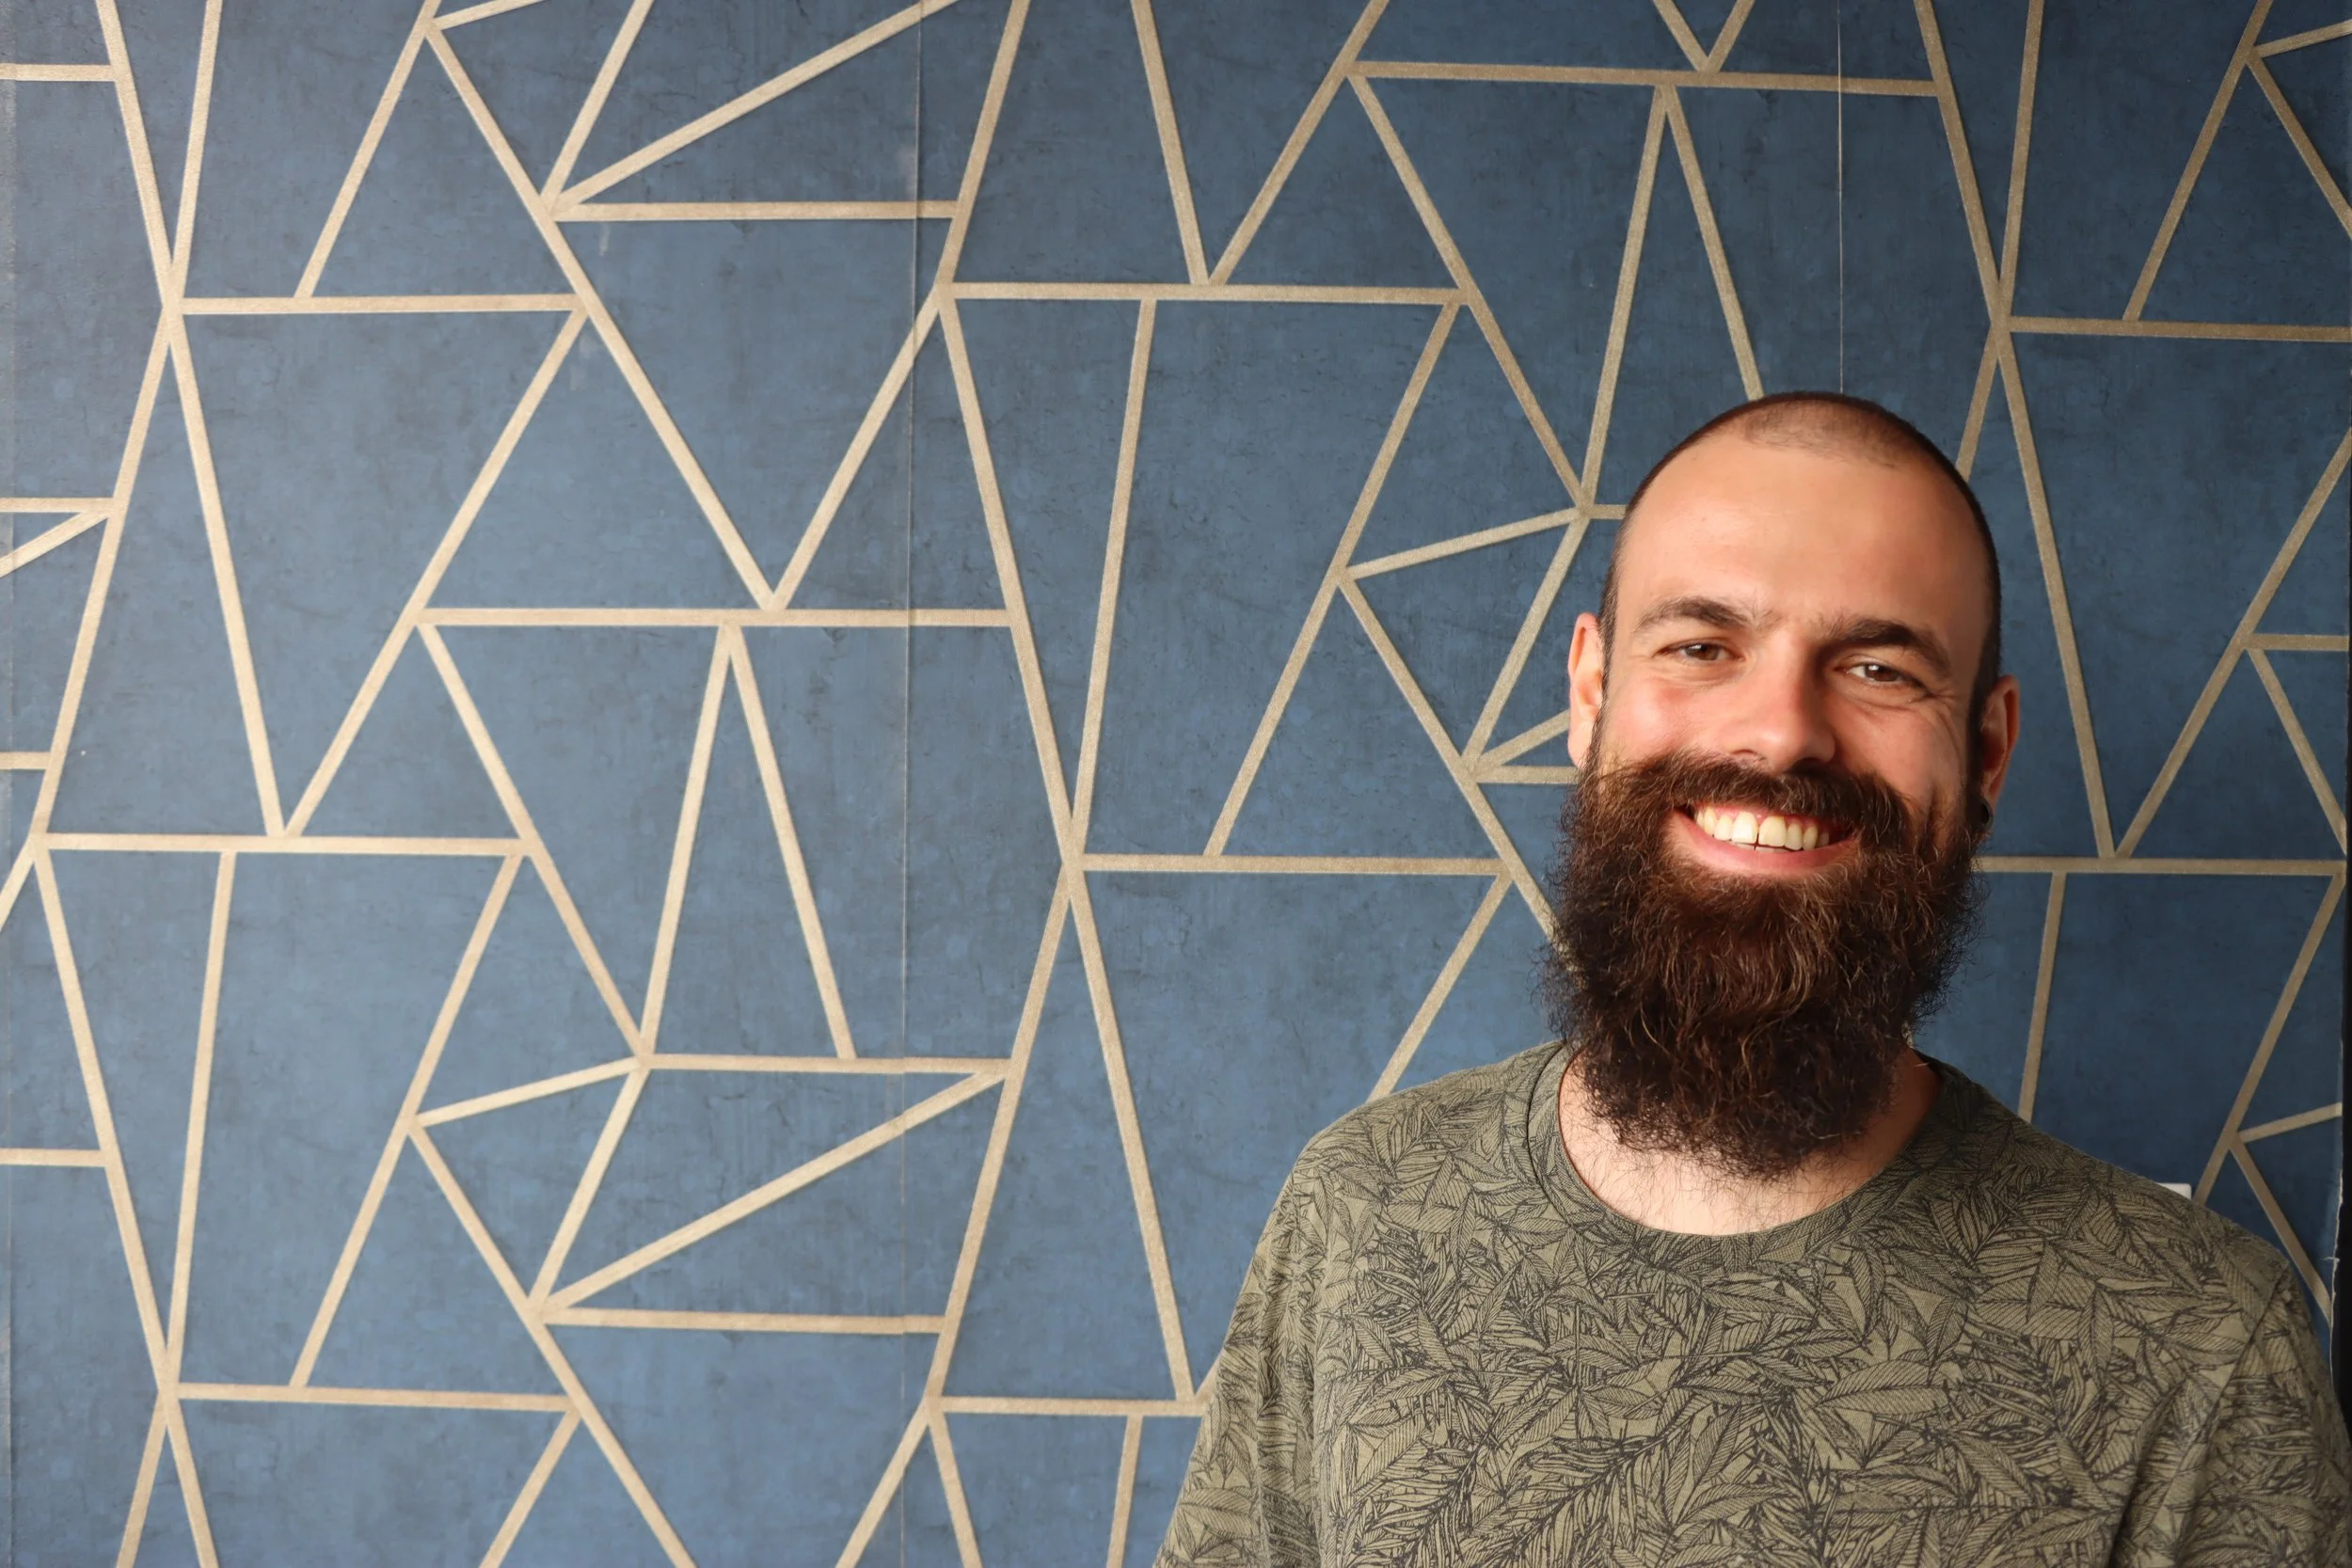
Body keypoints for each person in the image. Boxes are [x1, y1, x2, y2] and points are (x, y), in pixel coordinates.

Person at [1152, 392, 2352, 1566]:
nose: (1781, 732)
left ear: (1986, 749)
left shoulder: (2195, 1340)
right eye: (1701, 645)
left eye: (1878, 668)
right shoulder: (1358, 1215)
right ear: (1589, 691)